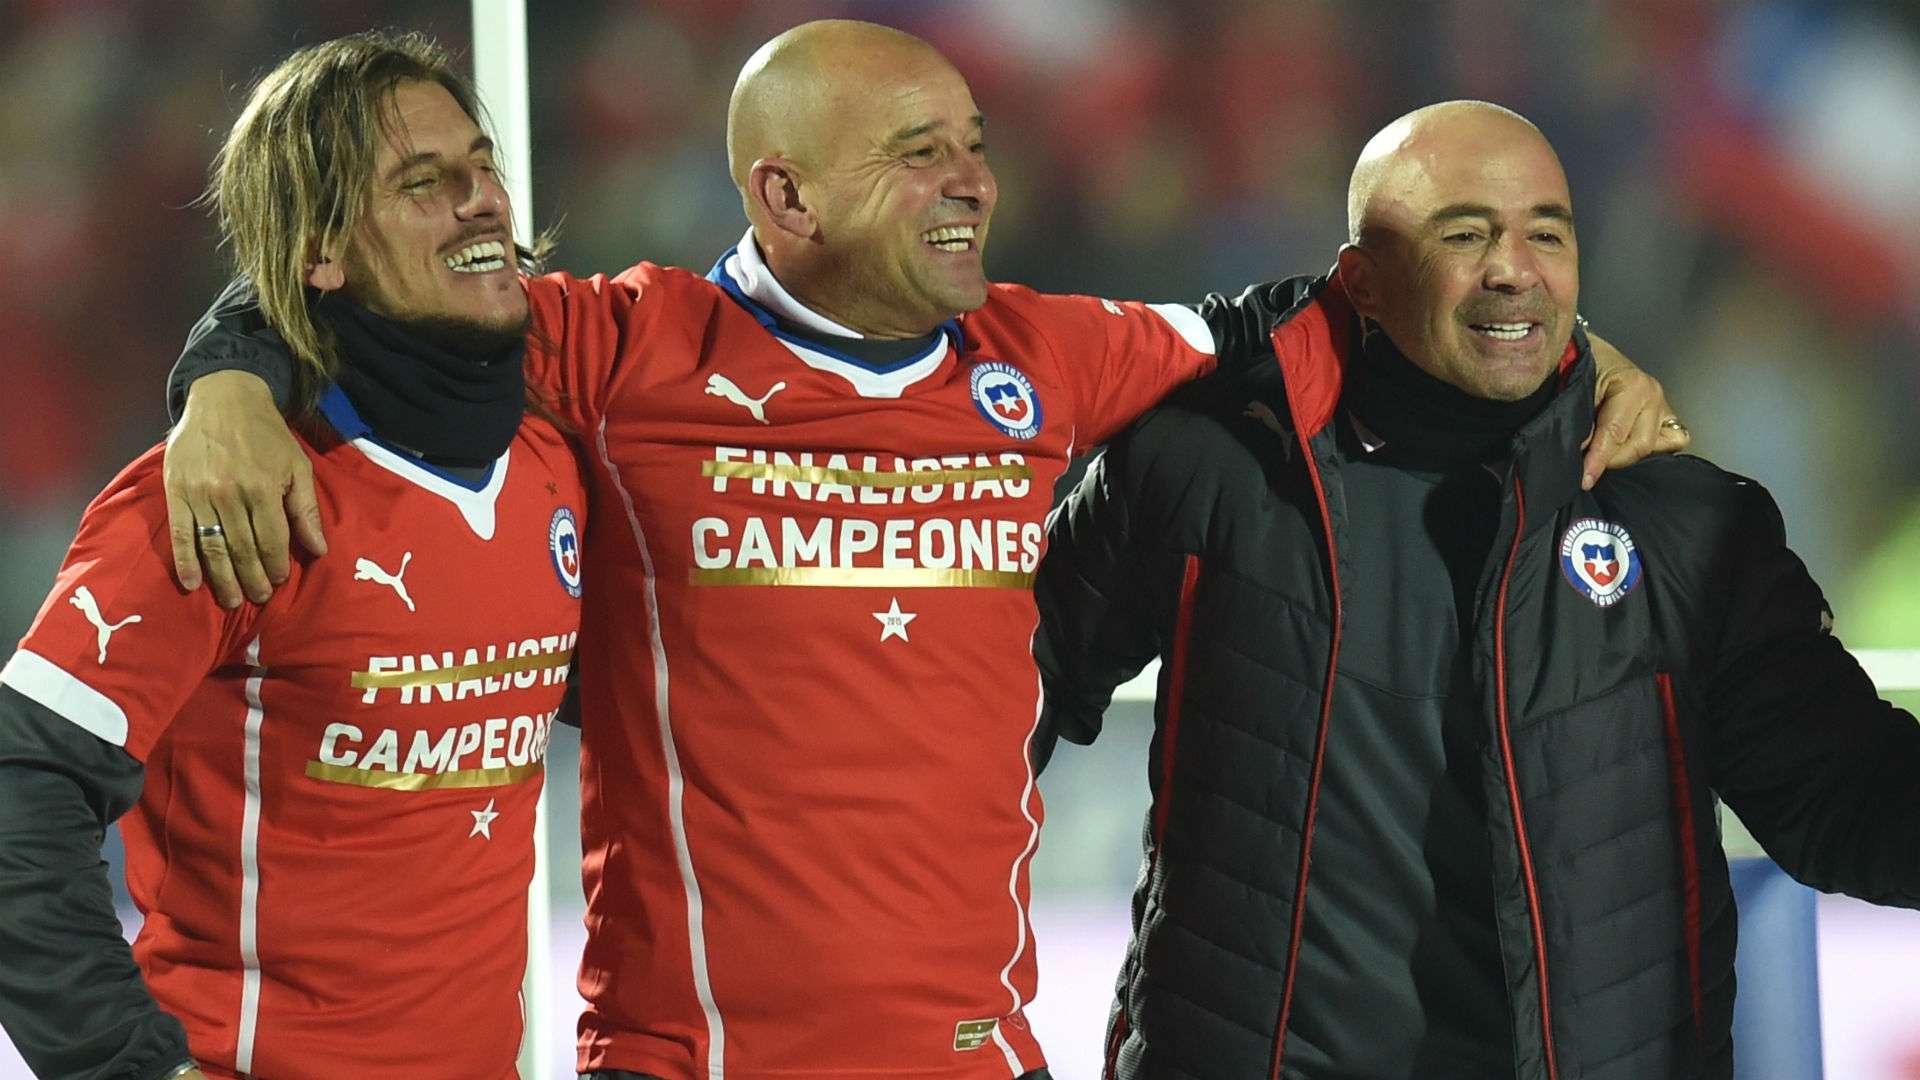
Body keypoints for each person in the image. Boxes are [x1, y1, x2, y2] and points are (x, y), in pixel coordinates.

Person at [160, 23, 1684, 1080]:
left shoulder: (1051, 355)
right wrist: (225, 378)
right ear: (784, 193)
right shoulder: (625, 348)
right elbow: (390, 293)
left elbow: (1320, 318)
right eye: (914, 154)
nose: (970, 180)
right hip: (696, 1060)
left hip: (982, 1056)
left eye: (972, 145)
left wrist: (1568, 353)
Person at [1034, 100, 1920, 1080]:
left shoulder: (1688, 528)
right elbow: (1001, 693)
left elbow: (1846, 797)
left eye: (1548, 233)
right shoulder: (1208, 470)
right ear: (1360, 281)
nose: (1513, 267)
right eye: (1465, 235)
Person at [0, 31, 585, 1080]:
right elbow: (18, 787)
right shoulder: (227, 494)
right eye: (422, 181)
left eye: (482, 164)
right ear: (321, 250)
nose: (482, 200)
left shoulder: (552, 460)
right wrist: (125, 1065)